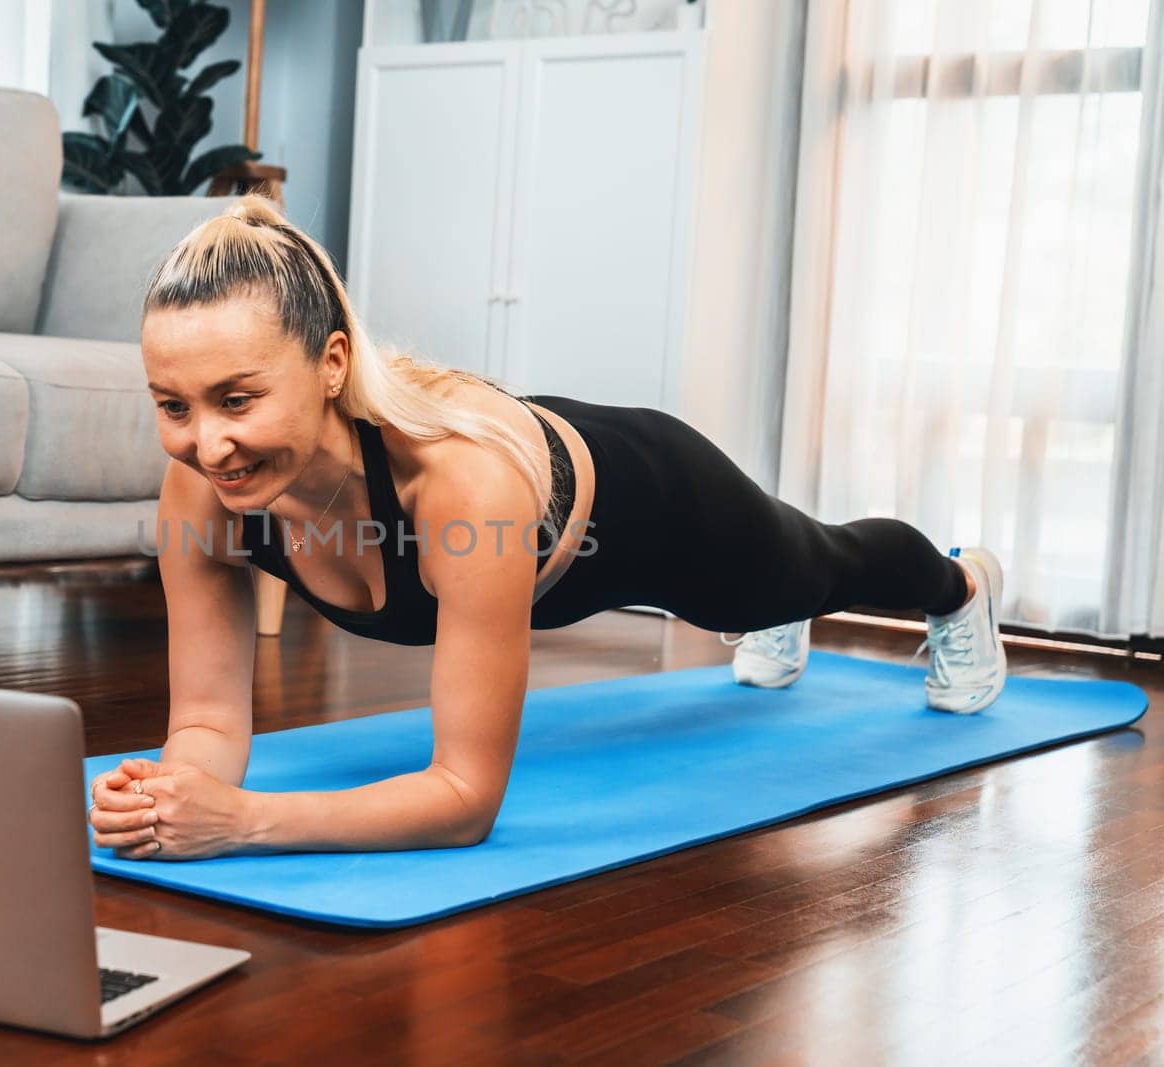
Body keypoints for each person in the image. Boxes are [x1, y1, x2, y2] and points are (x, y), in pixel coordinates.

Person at [86, 195, 1009, 862]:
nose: (208, 444)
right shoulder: (200, 491)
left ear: (331, 364)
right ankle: (789, 612)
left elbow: (463, 799)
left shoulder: (458, 486)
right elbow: (206, 718)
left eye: (237, 399)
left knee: (818, 566)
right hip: (544, 482)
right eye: (174, 404)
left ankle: (961, 586)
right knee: (787, 587)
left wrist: (244, 822)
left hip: (657, 500)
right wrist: (174, 796)